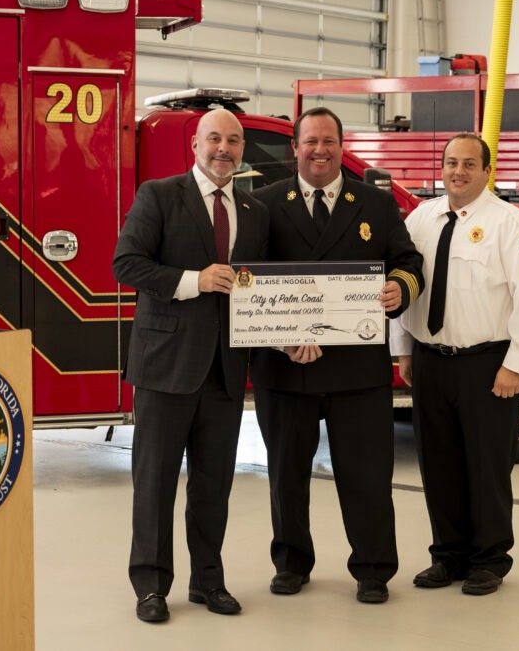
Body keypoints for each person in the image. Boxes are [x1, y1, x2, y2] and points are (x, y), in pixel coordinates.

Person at [250, 107, 424, 604]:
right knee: (285, 474)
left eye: (329, 141)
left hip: (357, 370)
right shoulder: (261, 203)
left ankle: (373, 568)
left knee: (367, 476)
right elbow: (251, 280)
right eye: (310, 142)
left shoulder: (374, 203)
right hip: (285, 365)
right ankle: (291, 562)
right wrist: (280, 335)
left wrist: (399, 287)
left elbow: (408, 261)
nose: (320, 150)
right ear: (295, 149)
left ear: (341, 147)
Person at [113, 109, 269, 623]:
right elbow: (127, 263)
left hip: (225, 371)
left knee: (213, 485)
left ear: (242, 148)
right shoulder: (159, 195)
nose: (224, 148)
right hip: (165, 367)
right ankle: (151, 586)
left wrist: (295, 333)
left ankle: (208, 580)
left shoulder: (254, 208)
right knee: (154, 483)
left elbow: (265, 289)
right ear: (196, 145)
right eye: (214, 139)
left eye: (234, 140)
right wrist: (192, 280)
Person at [390, 133, 519, 596]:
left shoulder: (509, 224)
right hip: (430, 362)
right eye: (450, 162)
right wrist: (403, 349)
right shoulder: (421, 218)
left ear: (487, 171)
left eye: (468, 164)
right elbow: (403, 285)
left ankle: (489, 559)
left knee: (486, 466)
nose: (458, 171)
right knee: (438, 465)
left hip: (488, 366)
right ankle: (448, 555)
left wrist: (516, 365)